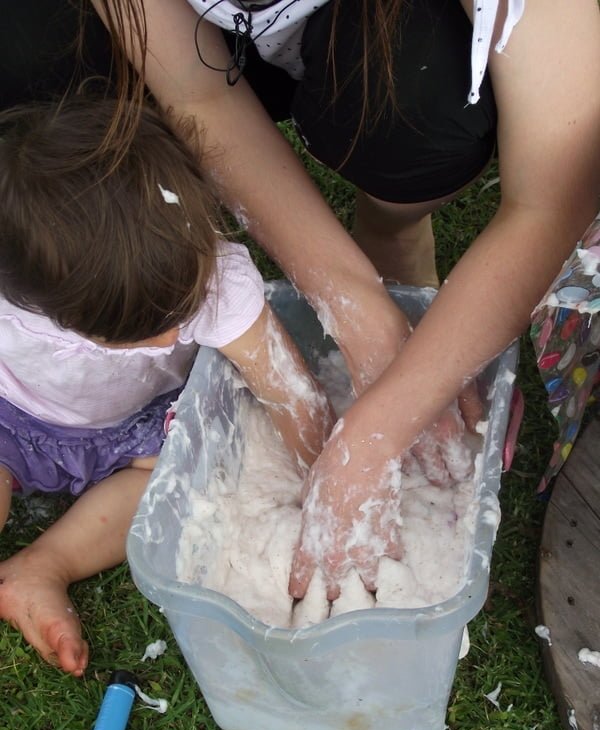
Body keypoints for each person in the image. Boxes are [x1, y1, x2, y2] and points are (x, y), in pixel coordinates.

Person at [4, 1, 599, 600]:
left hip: (378, 53)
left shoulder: (218, 288)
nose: (170, 337)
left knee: (414, 85)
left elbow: (549, 202)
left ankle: (394, 234)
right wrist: (359, 315)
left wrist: (379, 431)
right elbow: (199, 95)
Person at [0, 97, 334, 676]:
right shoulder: (14, 297)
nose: (172, 338)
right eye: (134, 334)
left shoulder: (212, 277)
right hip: (12, 417)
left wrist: (330, 489)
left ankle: (44, 566)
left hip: (140, 432)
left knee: (175, 483)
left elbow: (290, 394)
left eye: (181, 314)